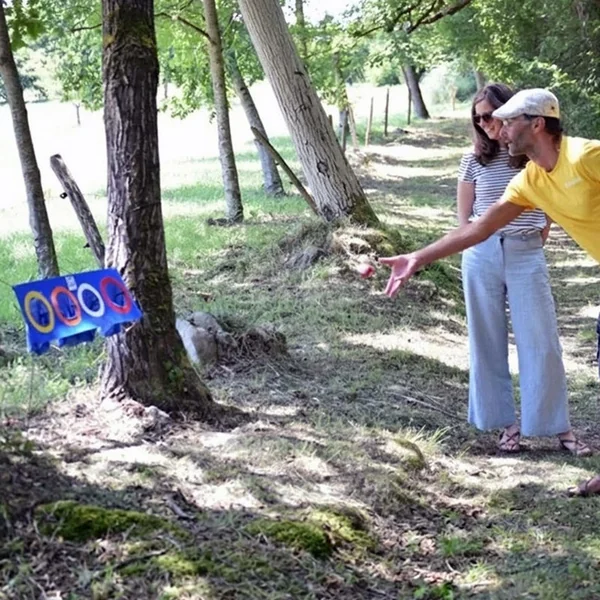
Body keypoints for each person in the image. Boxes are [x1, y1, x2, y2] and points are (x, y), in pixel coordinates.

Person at [379, 88, 600, 495]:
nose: (498, 128)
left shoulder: (586, 156)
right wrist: (417, 258)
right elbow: (478, 228)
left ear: (537, 124)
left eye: (508, 120)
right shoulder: (530, 180)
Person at [456, 83, 588, 455]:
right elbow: (465, 219)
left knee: (541, 340)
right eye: (478, 119)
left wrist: (539, 231)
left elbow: (551, 199)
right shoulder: (473, 160)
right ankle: (505, 426)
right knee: (486, 339)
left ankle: (556, 426)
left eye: (490, 115)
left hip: (525, 250)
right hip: (482, 254)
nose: (485, 124)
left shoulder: (530, 156)